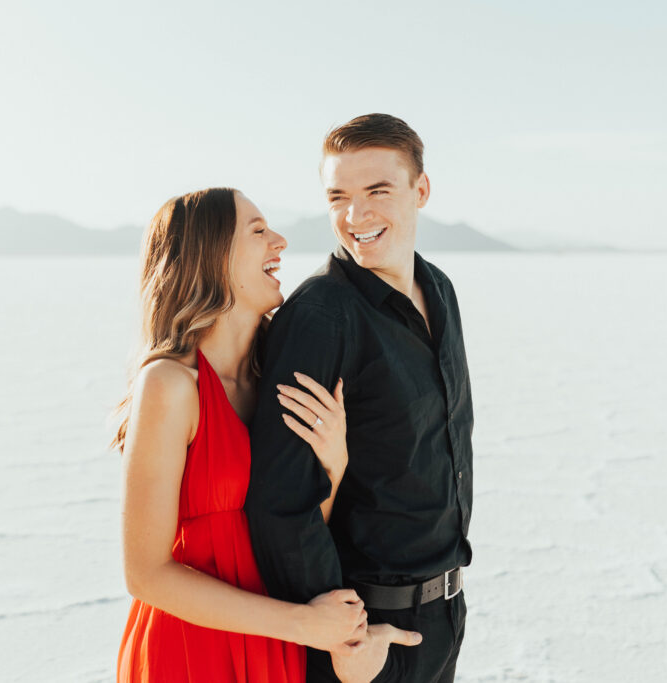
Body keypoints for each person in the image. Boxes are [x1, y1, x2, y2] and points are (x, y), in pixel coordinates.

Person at [246, 114, 475, 682]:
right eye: (338, 196)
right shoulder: (319, 317)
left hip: (443, 616)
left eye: (378, 191)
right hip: (365, 640)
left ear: (420, 190)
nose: (355, 216)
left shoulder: (439, 288)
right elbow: (281, 502)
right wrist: (346, 639)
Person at [113, 188, 371, 682]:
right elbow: (144, 574)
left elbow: (291, 524)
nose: (280, 240)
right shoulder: (171, 384)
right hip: (191, 652)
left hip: (280, 646)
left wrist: (333, 469)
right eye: (257, 231)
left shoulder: (279, 375)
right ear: (209, 256)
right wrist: (302, 624)